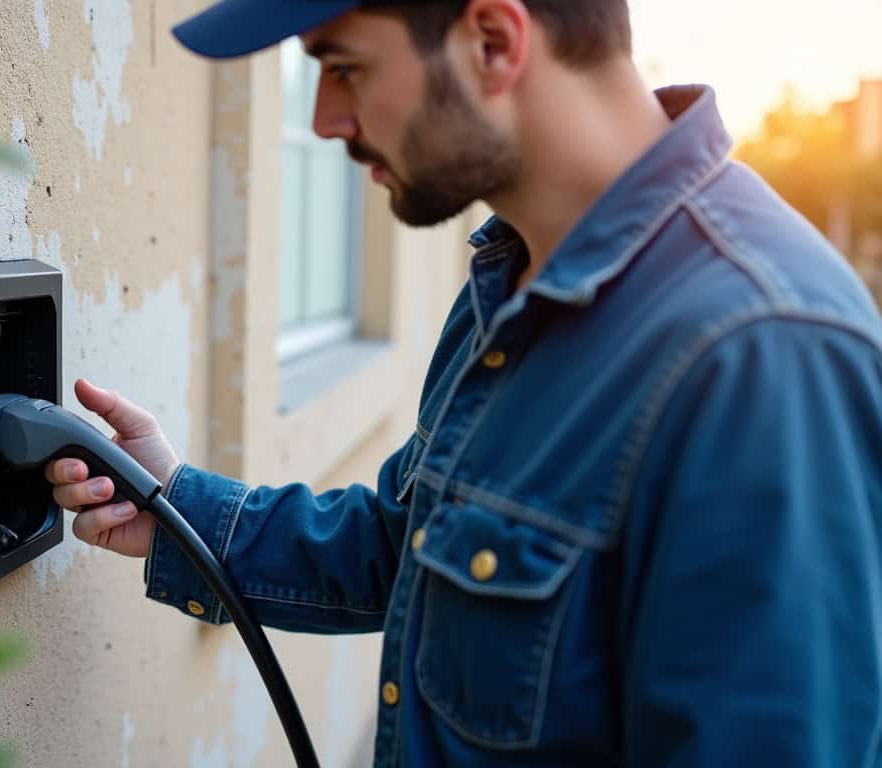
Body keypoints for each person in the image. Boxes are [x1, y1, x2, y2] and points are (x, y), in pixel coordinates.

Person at [44, 1, 882, 764]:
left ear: (493, 41)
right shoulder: (510, 274)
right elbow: (409, 543)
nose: (324, 120)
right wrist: (172, 508)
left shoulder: (763, 353)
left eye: (344, 68)